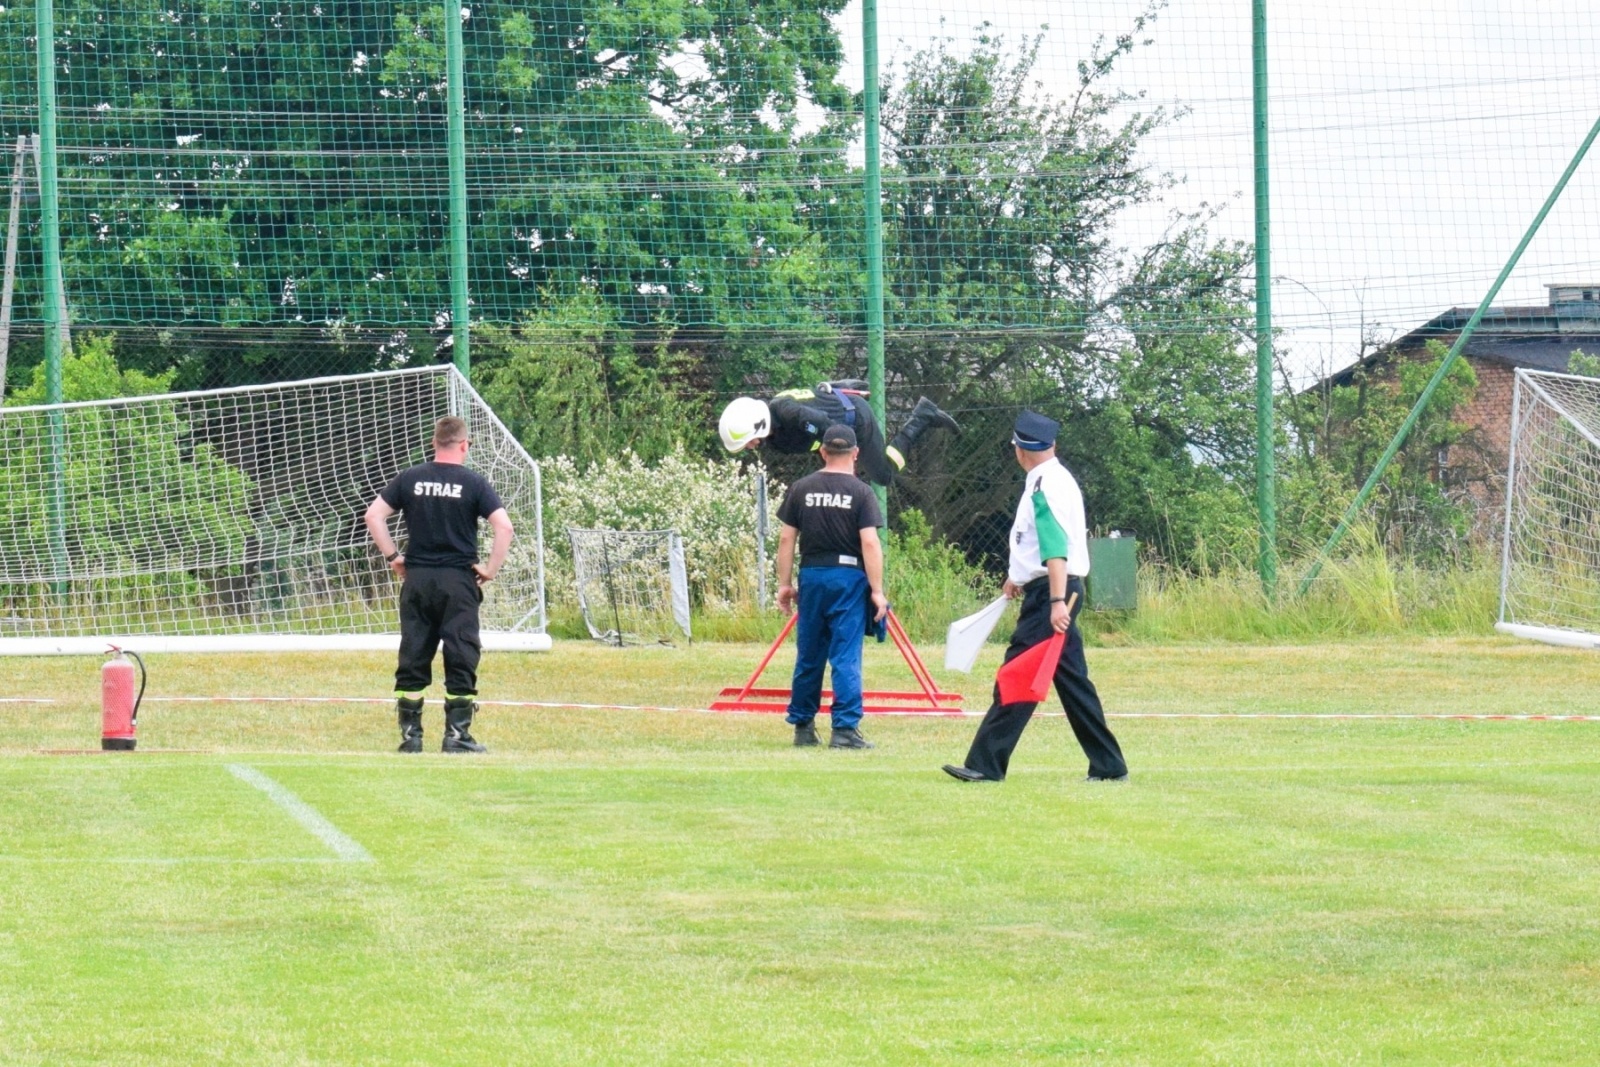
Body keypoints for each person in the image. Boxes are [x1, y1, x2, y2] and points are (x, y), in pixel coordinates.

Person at [942, 411, 1127, 783]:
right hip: (1053, 588)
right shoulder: (1054, 478)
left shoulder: (1044, 485)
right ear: (1051, 445)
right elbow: (1038, 541)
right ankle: (1109, 766)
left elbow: (1054, 546)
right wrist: (1017, 577)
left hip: (1052, 594)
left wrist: (1057, 602)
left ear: (1018, 450)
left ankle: (985, 765)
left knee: (1018, 673)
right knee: (1072, 682)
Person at [363, 416, 514, 754]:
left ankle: (411, 738)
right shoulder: (474, 483)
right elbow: (504, 528)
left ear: (434, 443)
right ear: (465, 445)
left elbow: (373, 516)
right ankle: (457, 737)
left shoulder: (411, 477)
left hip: (417, 580)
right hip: (458, 582)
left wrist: (393, 556)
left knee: (414, 652)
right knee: (461, 653)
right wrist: (489, 569)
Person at [775, 423, 890, 749]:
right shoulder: (862, 492)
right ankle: (844, 730)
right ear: (856, 453)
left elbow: (787, 538)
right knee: (845, 656)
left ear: (823, 452)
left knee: (809, 655)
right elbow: (869, 542)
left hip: (812, 577)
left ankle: (803, 727)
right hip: (849, 579)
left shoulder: (801, 488)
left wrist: (785, 584)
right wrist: (877, 590)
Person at [718, 382, 959, 487]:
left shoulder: (787, 413)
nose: (750, 447)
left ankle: (922, 417)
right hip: (842, 410)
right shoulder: (776, 438)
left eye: (747, 441)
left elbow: (827, 427)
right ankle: (842, 386)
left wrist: (847, 463)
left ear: (756, 425)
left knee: (885, 474)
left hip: (857, 420)